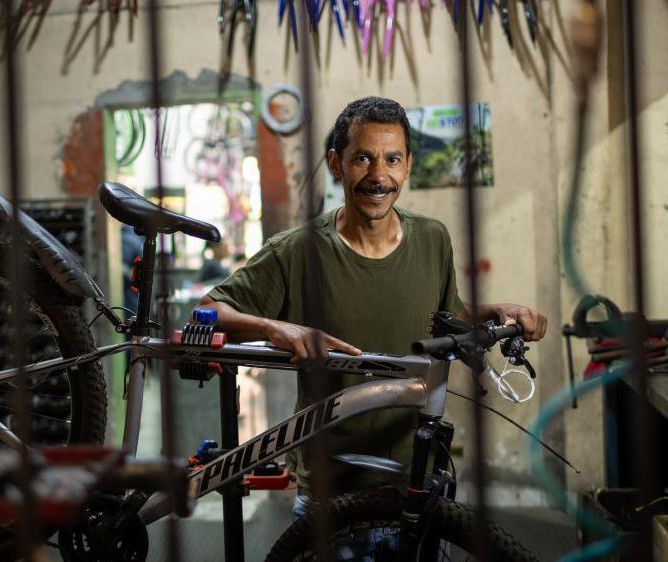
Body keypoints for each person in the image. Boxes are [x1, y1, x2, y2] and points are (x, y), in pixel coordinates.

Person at [197, 97, 547, 521]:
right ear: (335, 163)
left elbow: (446, 313)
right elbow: (207, 311)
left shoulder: (433, 239)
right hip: (330, 494)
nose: (379, 176)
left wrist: (495, 311)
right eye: (362, 158)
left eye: (392, 159)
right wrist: (277, 329)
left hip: (416, 481)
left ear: (408, 165)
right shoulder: (297, 251)